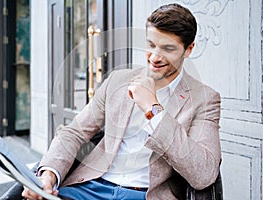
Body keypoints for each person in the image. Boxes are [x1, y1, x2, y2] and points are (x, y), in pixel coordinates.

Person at [22, 3, 221, 200]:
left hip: (145, 195)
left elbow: (203, 174)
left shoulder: (204, 99)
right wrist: (49, 175)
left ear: (188, 50)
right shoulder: (117, 81)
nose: (154, 57)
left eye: (168, 49)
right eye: (151, 45)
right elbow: (73, 132)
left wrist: (153, 110)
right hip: (91, 187)